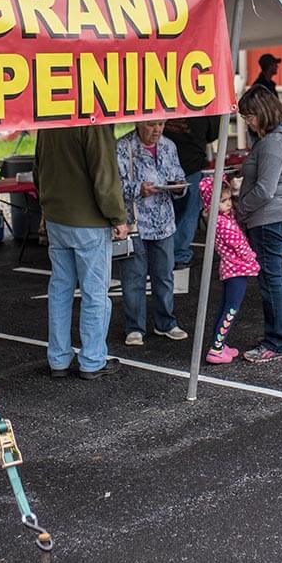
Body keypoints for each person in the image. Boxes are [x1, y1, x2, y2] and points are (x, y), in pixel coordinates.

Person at [35, 125, 129, 380]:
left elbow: (38, 167)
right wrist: (118, 217)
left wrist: (45, 205)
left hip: (56, 216)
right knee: (94, 292)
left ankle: (58, 359)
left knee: (60, 290)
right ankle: (92, 360)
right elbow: (104, 175)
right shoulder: (94, 121)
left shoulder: (49, 120)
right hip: (89, 221)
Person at [235, 87, 282, 363]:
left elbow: (265, 190)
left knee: (270, 280)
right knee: (277, 277)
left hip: (268, 218)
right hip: (278, 215)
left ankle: (276, 343)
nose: (247, 122)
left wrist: (241, 210)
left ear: (262, 112)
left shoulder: (274, 143)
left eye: (250, 116)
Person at [116, 120, 189, 346]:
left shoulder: (169, 146)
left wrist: (179, 186)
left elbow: (179, 175)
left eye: (161, 124)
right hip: (135, 223)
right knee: (133, 278)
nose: (157, 129)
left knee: (164, 276)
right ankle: (135, 327)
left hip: (164, 223)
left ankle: (165, 322)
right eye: (151, 125)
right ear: (138, 123)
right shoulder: (123, 146)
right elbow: (113, 186)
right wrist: (139, 189)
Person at [198, 176, 259, 364]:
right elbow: (239, 243)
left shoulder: (220, 219)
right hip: (236, 270)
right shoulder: (222, 223)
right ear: (211, 202)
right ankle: (216, 349)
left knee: (226, 307)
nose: (228, 204)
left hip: (231, 269)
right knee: (231, 310)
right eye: (222, 201)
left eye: (228, 200)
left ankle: (219, 344)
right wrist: (252, 257)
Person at [162, 115, 219, 268]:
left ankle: (162, 253)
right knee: (189, 213)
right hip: (192, 161)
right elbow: (214, 132)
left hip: (162, 161)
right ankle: (179, 254)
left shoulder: (162, 95)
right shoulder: (205, 100)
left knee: (163, 210)